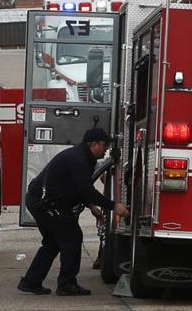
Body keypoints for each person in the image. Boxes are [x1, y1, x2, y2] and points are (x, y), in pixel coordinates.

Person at [18, 127, 128, 296]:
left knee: (52, 243)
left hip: (44, 201)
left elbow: (78, 187)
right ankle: (67, 284)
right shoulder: (78, 159)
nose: (106, 149)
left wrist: (92, 207)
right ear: (93, 144)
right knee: (72, 237)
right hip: (45, 202)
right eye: (104, 145)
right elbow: (86, 190)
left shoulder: (85, 157)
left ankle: (31, 281)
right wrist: (113, 205)